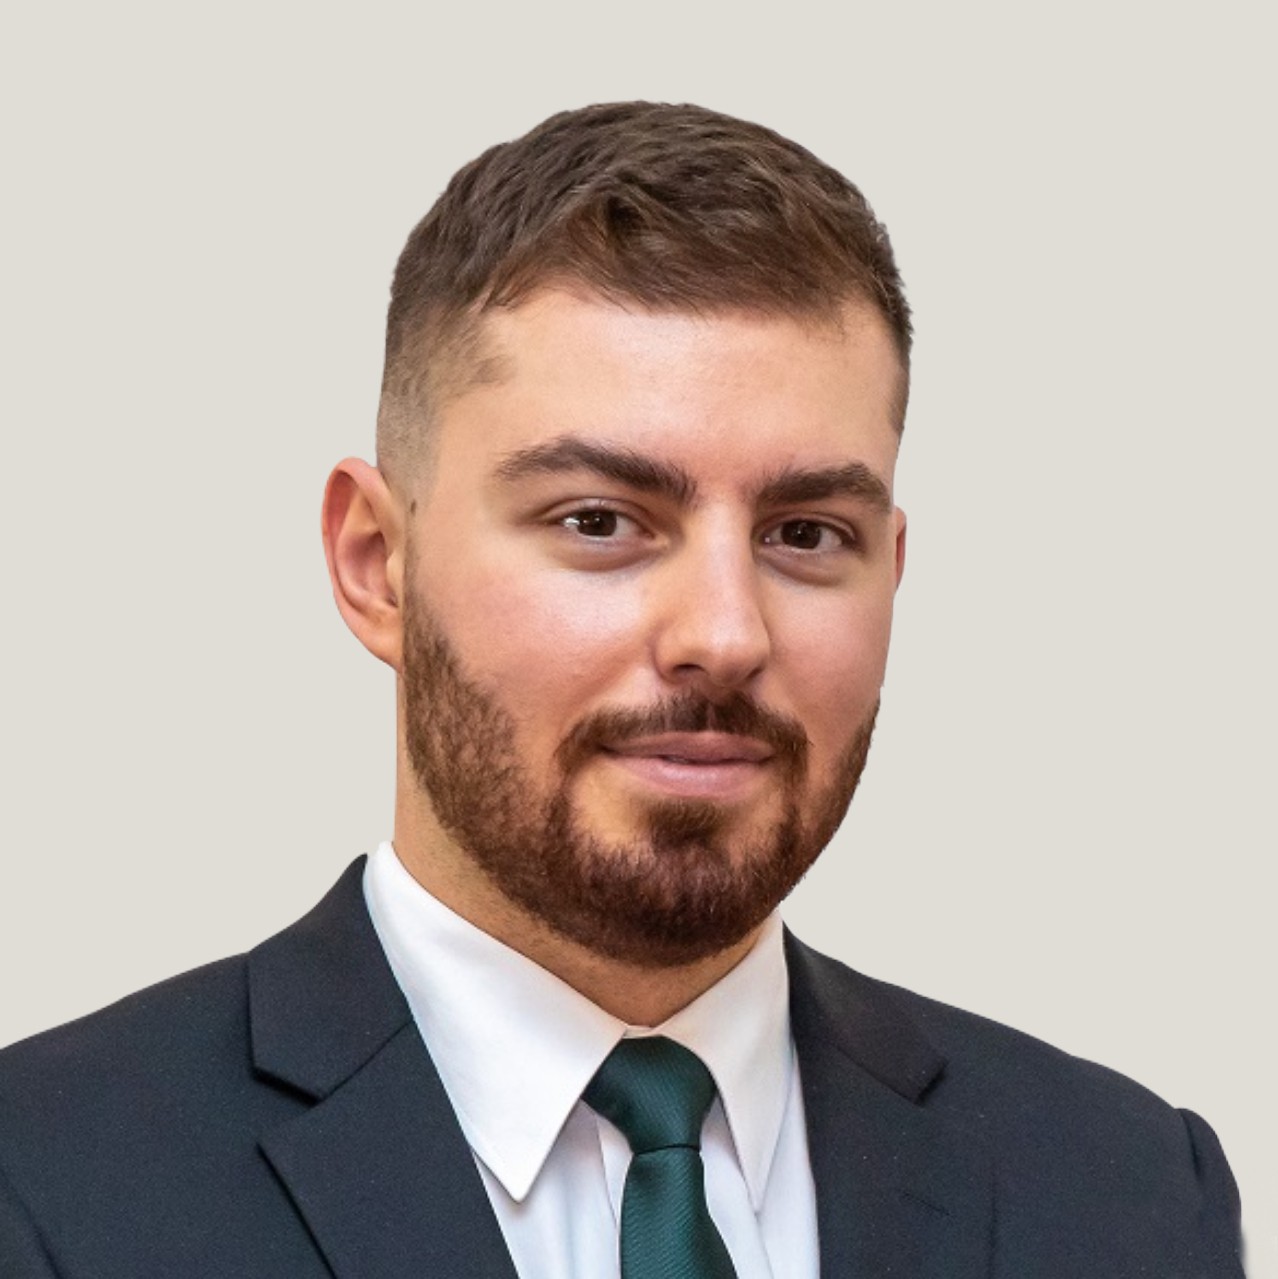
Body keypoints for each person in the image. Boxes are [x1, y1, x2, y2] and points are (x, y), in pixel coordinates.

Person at [0, 102, 1244, 1278]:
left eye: (807, 534)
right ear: (378, 565)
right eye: (600, 520)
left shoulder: (1128, 1193)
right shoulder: (44, 1185)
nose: (724, 634)